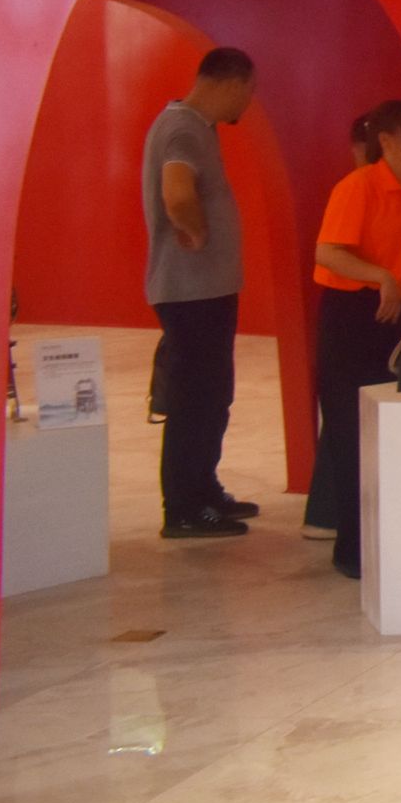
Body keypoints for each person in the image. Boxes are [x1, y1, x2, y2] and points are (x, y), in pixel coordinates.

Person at [311, 99, 401, 580]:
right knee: (351, 433)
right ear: (386, 141)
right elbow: (327, 252)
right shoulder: (357, 187)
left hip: (392, 317)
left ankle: (389, 542)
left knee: (390, 431)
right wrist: (380, 277)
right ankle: (353, 549)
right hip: (350, 317)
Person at [140, 46, 260, 539]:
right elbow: (177, 192)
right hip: (190, 292)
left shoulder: (198, 128)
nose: (248, 102)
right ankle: (184, 508)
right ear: (232, 83)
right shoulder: (183, 128)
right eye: (248, 91)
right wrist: (196, 230)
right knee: (194, 400)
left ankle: (204, 489)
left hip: (207, 290)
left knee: (213, 395)